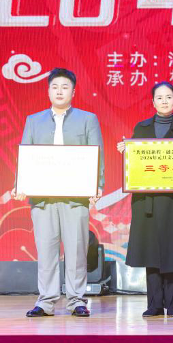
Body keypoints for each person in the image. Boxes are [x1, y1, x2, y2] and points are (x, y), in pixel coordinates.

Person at [12, 68, 104, 318]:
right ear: (48, 91)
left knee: (76, 250)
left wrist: (97, 184)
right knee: (46, 250)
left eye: (65, 87)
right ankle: (46, 301)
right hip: (43, 198)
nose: (60, 91)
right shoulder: (34, 120)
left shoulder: (88, 119)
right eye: (55, 87)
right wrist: (20, 184)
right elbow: (26, 154)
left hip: (76, 197)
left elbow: (97, 153)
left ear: (73, 91)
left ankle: (77, 300)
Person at [117, 82, 173, 318]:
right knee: (150, 253)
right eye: (159, 97)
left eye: (168, 97)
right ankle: (154, 304)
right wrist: (127, 152)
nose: (164, 101)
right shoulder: (141, 128)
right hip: (147, 201)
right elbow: (136, 165)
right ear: (152, 102)